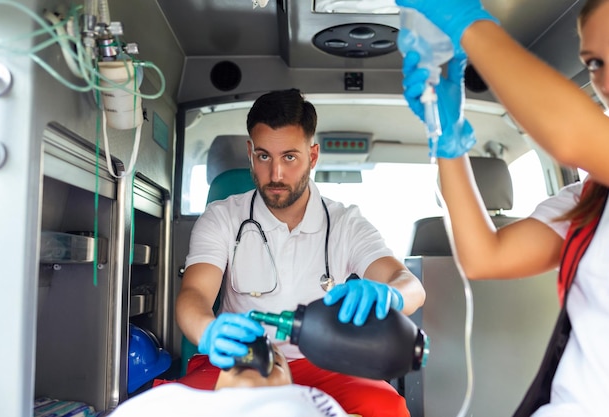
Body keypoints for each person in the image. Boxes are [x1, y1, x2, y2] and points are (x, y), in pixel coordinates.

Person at [398, 0, 609, 416]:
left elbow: (567, 137)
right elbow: (486, 257)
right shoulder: (592, 197)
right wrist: (447, 138)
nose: (608, 79)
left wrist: (467, 24)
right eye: (594, 62)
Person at [175, 88, 426, 417]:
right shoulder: (223, 216)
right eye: (264, 156)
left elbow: (410, 284)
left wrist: (390, 295)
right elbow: (194, 294)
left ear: (313, 155)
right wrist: (208, 331)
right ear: (250, 153)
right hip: (244, 359)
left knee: (386, 406)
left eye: (289, 157)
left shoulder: (345, 221)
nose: (276, 174)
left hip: (324, 362)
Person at [111, 343, 351, 417]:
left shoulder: (313, 402)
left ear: (292, 388)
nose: (254, 359)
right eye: (240, 359)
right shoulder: (168, 401)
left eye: (276, 363)